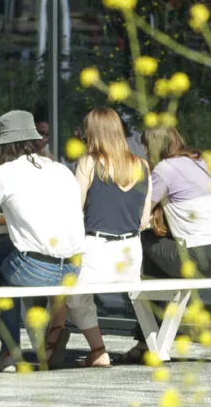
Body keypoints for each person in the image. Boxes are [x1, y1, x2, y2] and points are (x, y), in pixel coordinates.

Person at [0, 110, 83, 372]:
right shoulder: (61, 169)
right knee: (4, 253)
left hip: (36, 269)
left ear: (3, 143)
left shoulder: (2, 174)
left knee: (0, 265)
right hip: (74, 269)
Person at [50, 106, 148, 369]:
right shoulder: (143, 166)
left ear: (91, 133)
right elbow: (144, 221)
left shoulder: (89, 162)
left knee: (73, 296)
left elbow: (74, 209)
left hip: (97, 250)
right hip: (131, 252)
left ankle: (98, 350)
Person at [141, 124, 211, 281]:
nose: (146, 153)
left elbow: (140, 216)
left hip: (204, 258)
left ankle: (160, 302)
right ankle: (175, 302)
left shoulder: (164, 169)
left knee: (145, 238)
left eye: (147, 148)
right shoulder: (204, 163)